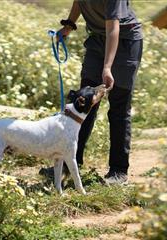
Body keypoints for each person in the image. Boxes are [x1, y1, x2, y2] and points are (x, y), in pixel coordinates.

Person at [39, 0, 143, 184]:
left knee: (119, 107)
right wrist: (69, 25)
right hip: (98, 40)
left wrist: (107, 67)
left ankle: (118, 171)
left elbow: (113, 29)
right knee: (83, 103)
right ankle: (69, 165)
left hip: (125, 41)